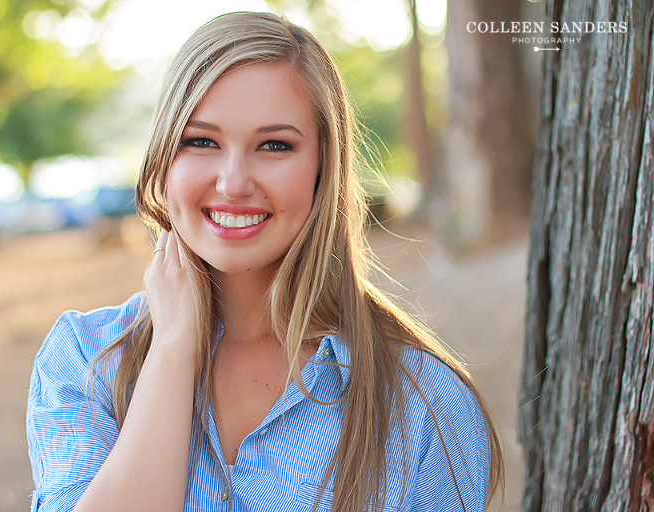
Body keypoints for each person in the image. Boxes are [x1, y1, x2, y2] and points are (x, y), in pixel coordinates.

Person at [26, 11, 504, 512]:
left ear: (324, 167)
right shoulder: (85, 363)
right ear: (166, 156)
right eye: (202, 141)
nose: (233, 182)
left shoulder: (424, 401)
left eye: (274, 145)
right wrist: (171, 350)